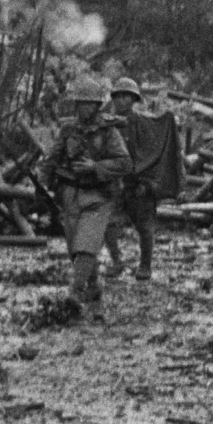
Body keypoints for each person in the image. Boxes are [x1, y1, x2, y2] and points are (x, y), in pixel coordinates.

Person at [44, 79, 133, 319]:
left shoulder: (109, 131)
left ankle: (75, 291)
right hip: (71, 195)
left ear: (96, 106)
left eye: (89, 104)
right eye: (80, 104)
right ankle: (93, 286)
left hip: (99, 195)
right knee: (76, 248)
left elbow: (125, 163)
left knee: (88, 242)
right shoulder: (68, 129)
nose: (84, 108)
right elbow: (52, 158)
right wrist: (44, 183)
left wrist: (96, 166)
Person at [102, 77, 181, 281]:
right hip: (114, 184)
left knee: (144, 227)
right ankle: (117, 262)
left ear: (134, 99)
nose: (121, 100)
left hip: (137, 184)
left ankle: (145, 265)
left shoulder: (142, 122)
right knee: (107, 225)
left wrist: (147, 183)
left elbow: (151, 152)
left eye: (126, 96)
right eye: (118, 96)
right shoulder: (107, 123)